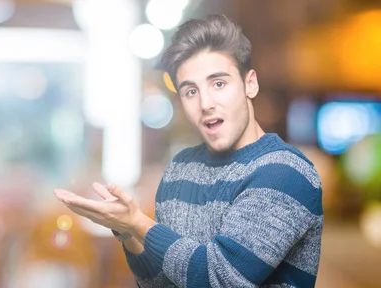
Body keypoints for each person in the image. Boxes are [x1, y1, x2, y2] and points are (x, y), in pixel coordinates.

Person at [53, 14, 323, 287]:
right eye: (191, 91)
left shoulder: (285, 172)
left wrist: (137, 223)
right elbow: (158, 282)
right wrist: (128, 233)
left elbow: (220, 279)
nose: (206, 103)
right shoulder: (180, 168)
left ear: (249, 83)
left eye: (219, 83)